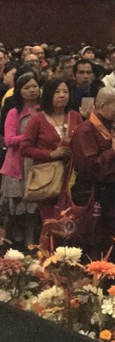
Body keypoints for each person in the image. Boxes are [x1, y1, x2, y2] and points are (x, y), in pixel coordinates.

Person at [68, 88, 115, 257]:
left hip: (114, 193)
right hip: (93, 193)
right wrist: (113, 151)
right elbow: (88, 166)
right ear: (101, 105)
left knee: (113, 240)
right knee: (94, 241)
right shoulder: (84, 130)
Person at [17, 78, 79, 243]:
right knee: (51, 224)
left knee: (70, 225)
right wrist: (51, 154)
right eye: (57, 92)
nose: (62, 95)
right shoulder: (38, 119)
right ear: (49, 94)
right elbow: (25, 149)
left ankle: (69, 257)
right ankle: (48, 255)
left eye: (65, 92)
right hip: (48, 179)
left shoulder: (75, 116)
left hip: (72, 179)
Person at [0, 73, 41, 244]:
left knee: (33, 208)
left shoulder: (43, 111)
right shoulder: (14, 112)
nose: (32, 90)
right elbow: (9, 140)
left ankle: (30, 244)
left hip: (37, 164)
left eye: (34, 86)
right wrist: (30, 136)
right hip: (17, 165)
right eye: (26, 87)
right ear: (19, 91)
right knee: (14, 210)